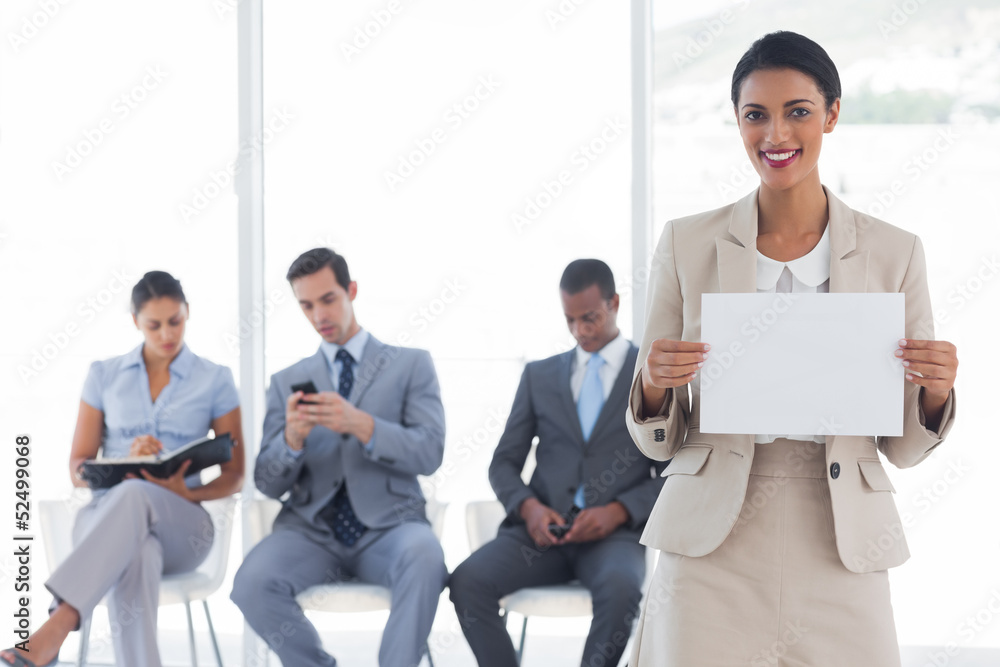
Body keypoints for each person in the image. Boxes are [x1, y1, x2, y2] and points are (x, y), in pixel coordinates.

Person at [625, 31, 959, 666]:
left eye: (797, 111)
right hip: (711, 542)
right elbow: (655, 440)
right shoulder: (686, 244)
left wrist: (937, 394)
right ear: (738, 121)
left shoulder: (896, 251)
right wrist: (653, 384)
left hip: (841, 541)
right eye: (756, 115)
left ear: (832, 114)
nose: (775, 134)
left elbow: (905, 450)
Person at [2, 271, 244, 667]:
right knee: (139, 549)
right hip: (105, 520)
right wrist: (125, 462)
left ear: (188, 314)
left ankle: (58, 623)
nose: (167, 333)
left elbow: (235, 475)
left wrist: (188, 491)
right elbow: (77, 468)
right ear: (135, 321)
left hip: (183, 527)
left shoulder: (215, 379)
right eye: (154, 324)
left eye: (176, 321)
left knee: (136, 496)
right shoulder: (104, 375)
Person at [230, 247, 448, 667]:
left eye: (327, 299)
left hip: (391, 527)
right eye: (306, 305)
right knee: (251, 583)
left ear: (351, 291)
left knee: (426, 558)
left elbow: (430, 452)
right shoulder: (286, 381)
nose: (318, 316)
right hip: (311, 532)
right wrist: (292, 440)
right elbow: (268, 482)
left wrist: (363, 425)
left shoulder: (410, 365)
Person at [450, 259, 667, 667]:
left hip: (613, 538)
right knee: (466, 582)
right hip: (539, 535)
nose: (579, 331)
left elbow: (672, 471)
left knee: (622, 590)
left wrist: (619, 511)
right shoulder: (540, 376)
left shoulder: (649, 374)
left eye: (590, 318)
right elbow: (502, 464)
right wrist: (529, 509)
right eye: (570, 320)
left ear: (614, 302)